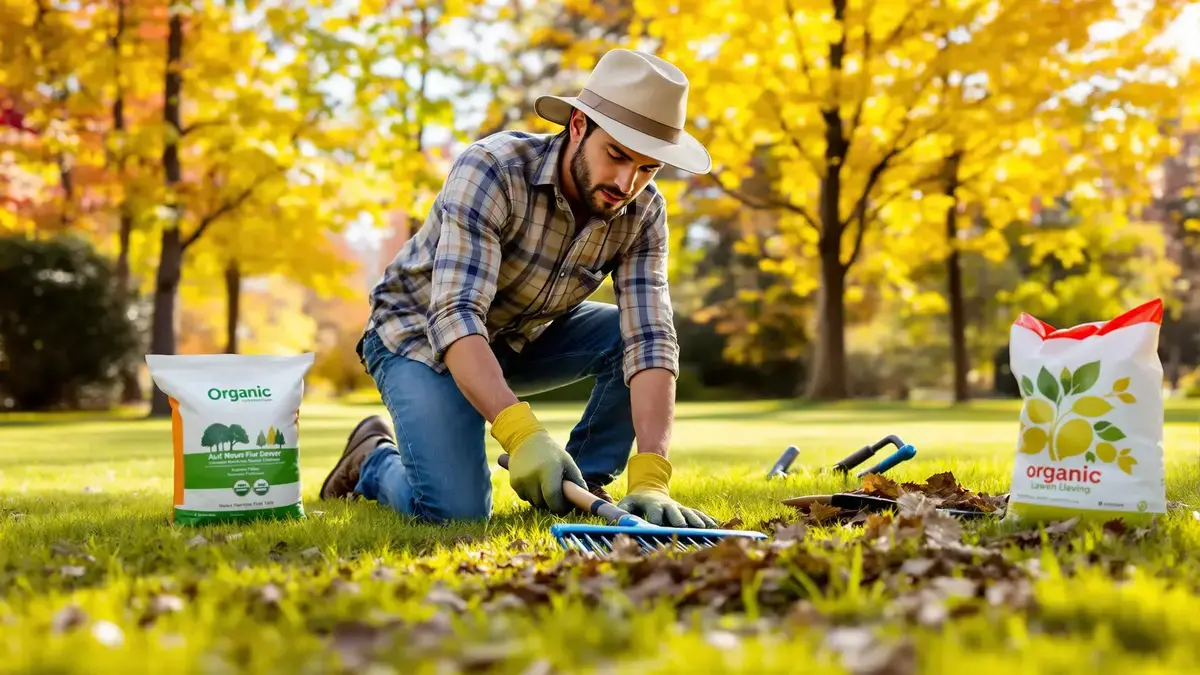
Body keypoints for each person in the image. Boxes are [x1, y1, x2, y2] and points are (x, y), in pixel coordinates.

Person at [318, 48, 718, 529]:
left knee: (627, 337)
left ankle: (578, 485)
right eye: (616, 155)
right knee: (456, 512)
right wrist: (522, 434)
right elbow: (456, 315)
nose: (626, 182)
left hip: (521, 334)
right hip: (419, 333)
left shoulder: (645, 213)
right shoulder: (492, 169)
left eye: (648, 168)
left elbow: (651, 339)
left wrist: (653, 474)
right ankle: (373, 460)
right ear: (577, 127)